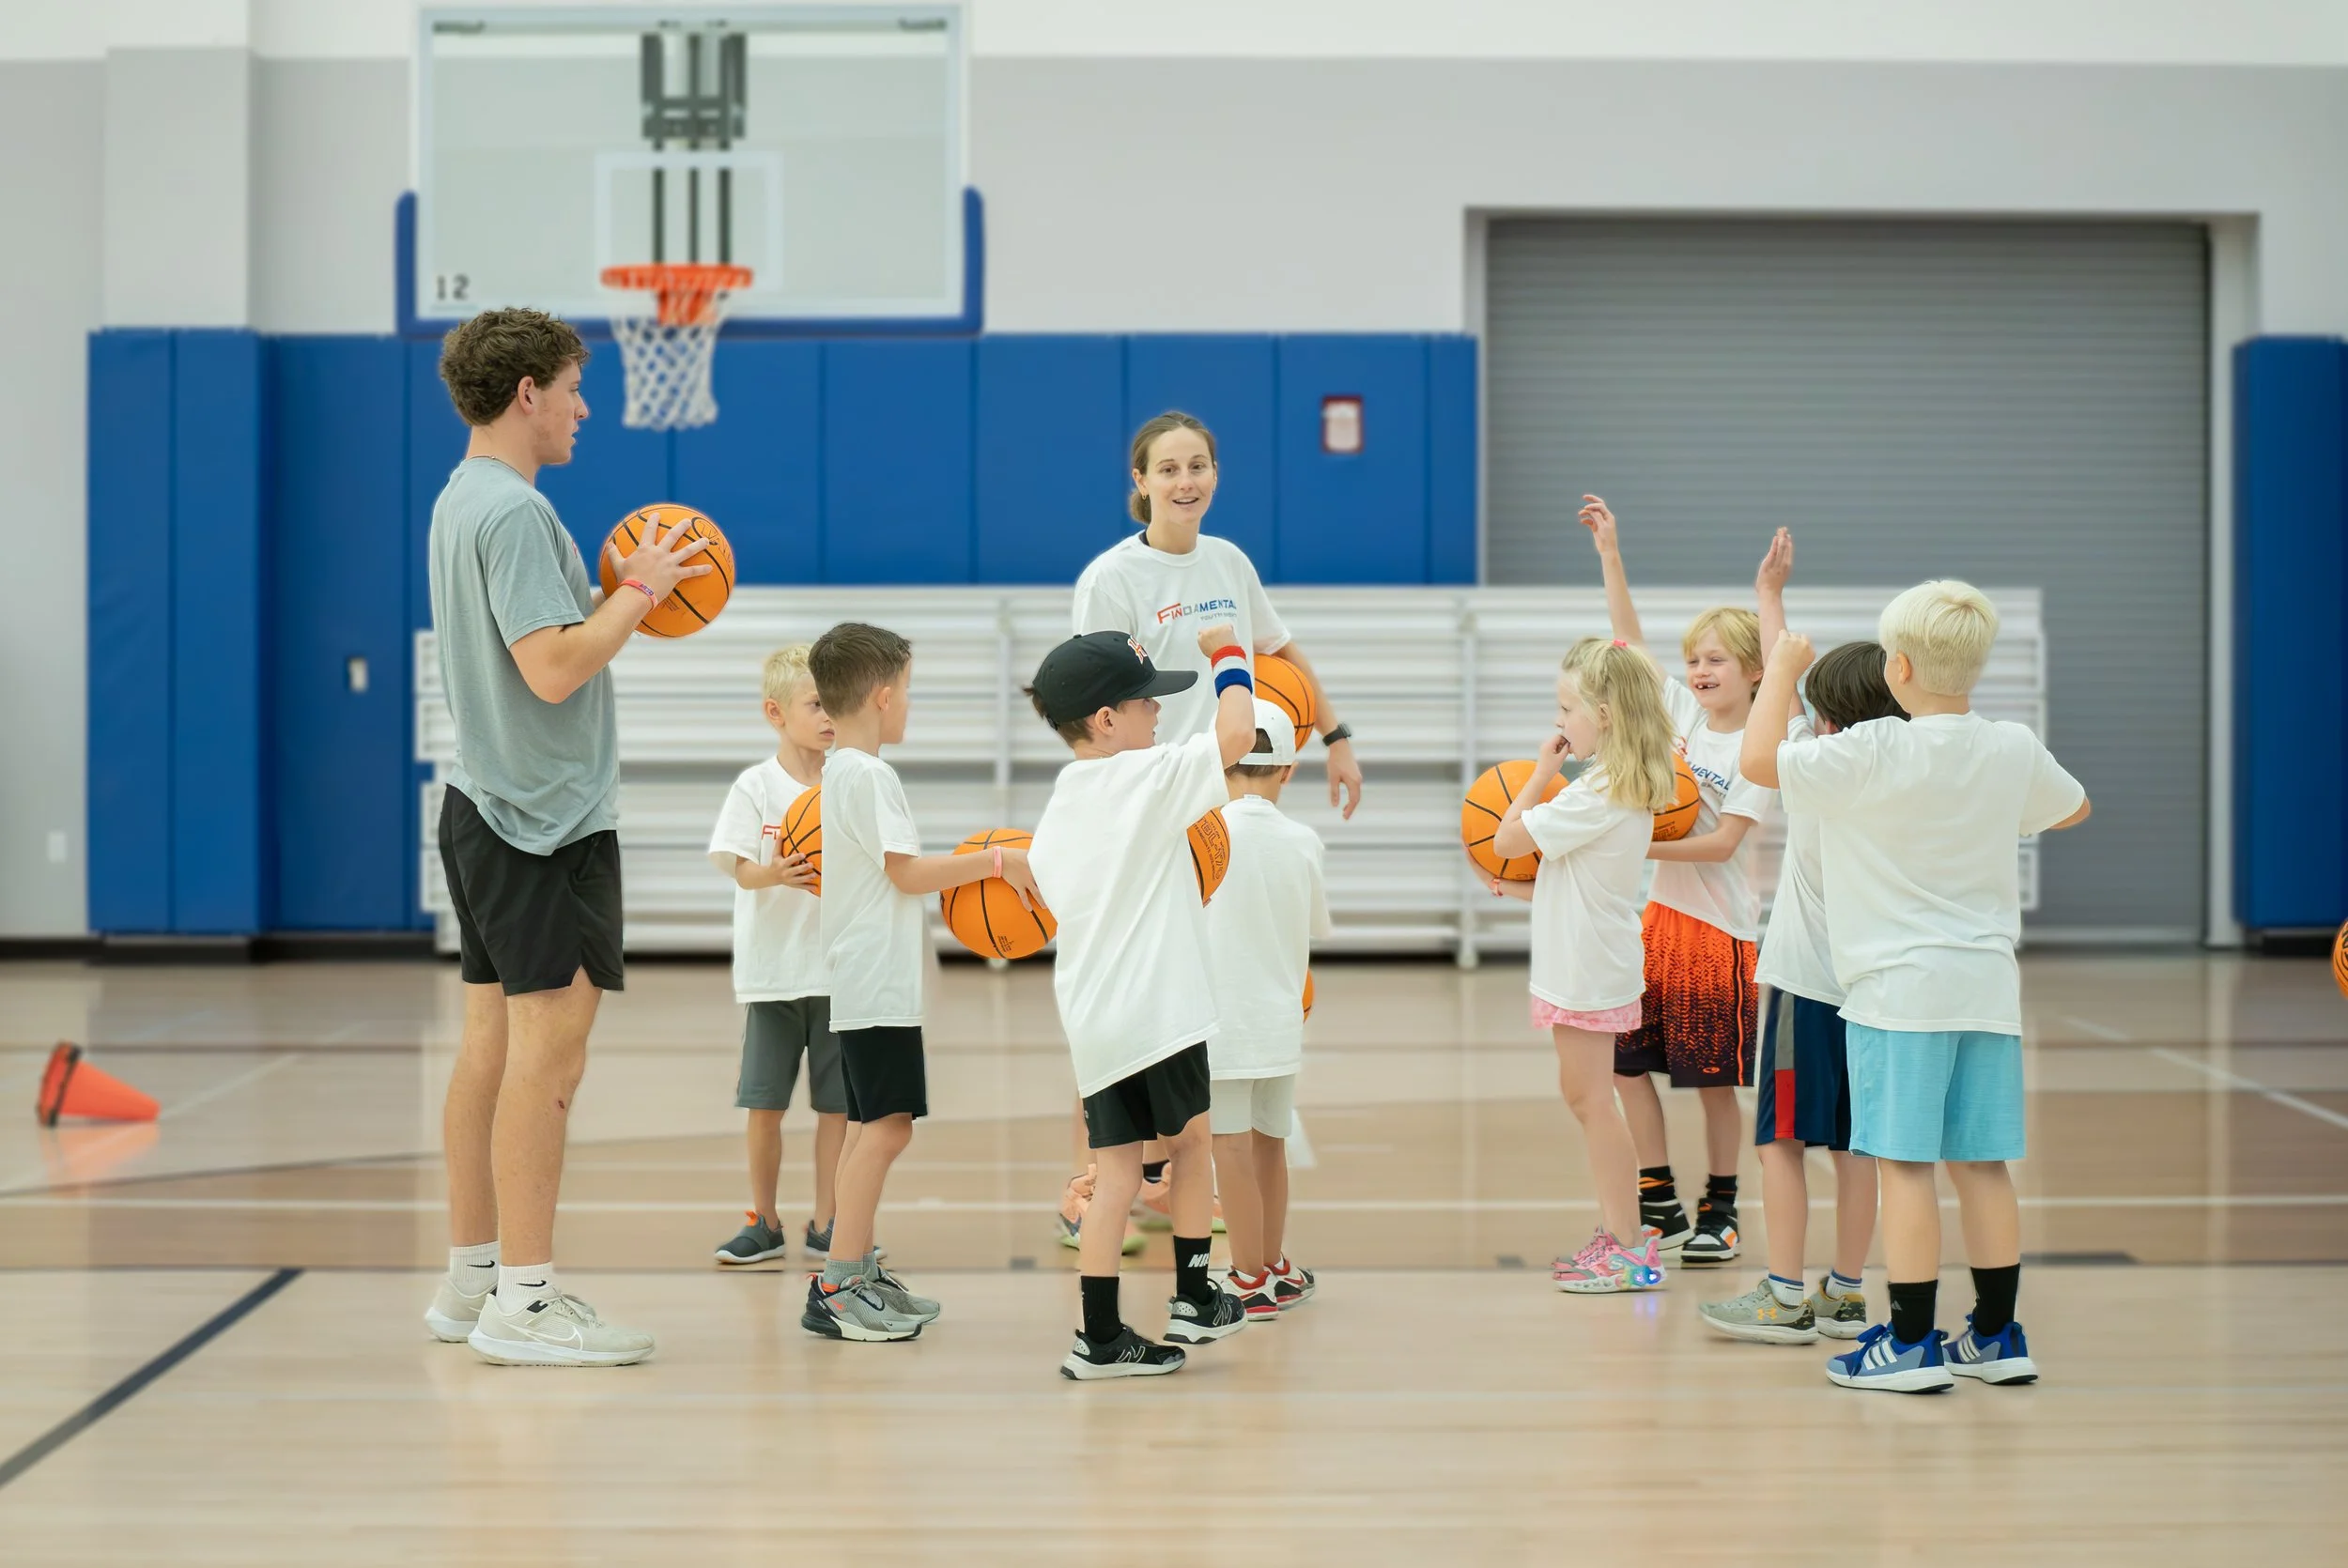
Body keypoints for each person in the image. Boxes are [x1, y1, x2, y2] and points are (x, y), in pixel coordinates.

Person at [420, 307, 710, 1367]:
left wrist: (612, 600)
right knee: (549, 1060)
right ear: (527, 392)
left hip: (486, 804)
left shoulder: (465, 498)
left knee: (489, 1052)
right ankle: (526, 1303)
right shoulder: (513, 514)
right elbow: (552, 668)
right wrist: (638, 592)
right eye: (576, 387)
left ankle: (472, 1280)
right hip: (541, 822)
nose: (588, 408)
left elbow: (536, 645)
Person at [1743, 583, 2091, 1392]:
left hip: (1899, 996)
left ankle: (1905, 1343)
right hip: (1986, 991)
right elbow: (2072, 811)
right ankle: (1996, 1336)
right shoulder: (2010, 746)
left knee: (1904, 1165)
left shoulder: (1870, 753)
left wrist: (1782, 669)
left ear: (1897, 667)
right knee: (1983, 1165)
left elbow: (1761, 761)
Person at [1055, 409, 1367, 1249]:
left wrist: (1334, 740)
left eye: (1198, 466)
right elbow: (1095, 698)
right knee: (1128, 993)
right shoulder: (1112, 577)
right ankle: (1098, 1178)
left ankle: (1166, 1175)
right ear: (1142, 483)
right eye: (1169, 469)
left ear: (1214, 475)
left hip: (1228, 799)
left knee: (1199, 994)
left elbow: (1286, 657)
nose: (1185, 481)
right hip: (1151, 802)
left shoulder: (1229, 561)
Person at [1027, 625, 1259, 1378]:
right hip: (1159, 1011)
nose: (1158, 715)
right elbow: (1237, 732)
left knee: (1118, 1176)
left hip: (1095, 1022)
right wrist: (1229, 652)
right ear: (1105, 719)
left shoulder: (1061, 802)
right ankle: (1194, 1297)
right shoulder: (1145, 778)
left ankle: (1099, 1338)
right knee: (1192, 1147)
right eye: (1146, 702)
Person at [797, 623, 1038, 1343]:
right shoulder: (870, 775)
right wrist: (996, 862)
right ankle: (839, 1286)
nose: (909, 704)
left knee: (876, 1127)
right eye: (907, 691)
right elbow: (906, 873)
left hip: (865, 976)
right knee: (886, 1129)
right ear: (881, 694)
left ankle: (855, 1271)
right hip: (873, 979)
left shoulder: (844, 770)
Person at [1582, 498, 1781, 1266]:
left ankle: (1721, 1207)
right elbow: (1627, 642)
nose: (1697, 671)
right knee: (1627, 1067)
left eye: (1715, 661)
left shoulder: (1760, 751)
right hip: (1655, 927)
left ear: (1754, 672)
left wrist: (1637, 849)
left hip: (1720, 936)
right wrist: (1610, 553)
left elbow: (1727, 843)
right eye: (1693, 659)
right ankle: (1656, 1196)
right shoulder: (1681, 721)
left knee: (1711, 1084)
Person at [1699, 633, 1898, 1345]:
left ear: (1829, 720)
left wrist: (1781, 661)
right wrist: (1775, 618)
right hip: (1875, 989)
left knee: (1781, 1140)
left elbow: (1765, 735)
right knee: (1857, 1147)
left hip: (1805, 982)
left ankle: (1784, 1295)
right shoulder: (1902, 771)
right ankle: (1846, 1294)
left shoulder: (1816, 768)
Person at [1485, 638, 1676, 1295]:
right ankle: (1621, 1233)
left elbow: (1506, 840)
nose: (1559, 722)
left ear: (1608, 713)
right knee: (1589, 1099)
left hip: (1589, 969)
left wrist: (1540, 773)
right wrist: (1521, 892)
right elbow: (1581, 881)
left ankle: (1629, 1246)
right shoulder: (1611, 788)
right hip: (1591, 958)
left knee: (1593, 1102)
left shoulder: (1596, 793)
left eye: (1567, 707)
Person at [706, 645, 854, 1268]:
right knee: (764, 1105)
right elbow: (739, 869)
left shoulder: (852, 782)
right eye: (815, 704)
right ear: (776, 712)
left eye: (834, 705)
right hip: (773, 976)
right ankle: (764, 1220)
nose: (828, 717)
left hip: (838, 975)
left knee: (837, 1109)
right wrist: (775, 875)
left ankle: (829, 1222)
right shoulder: (756, 786)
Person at [1203, 699, 1333, 1317]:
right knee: (1270, 1143)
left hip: (1220, 1025)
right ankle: (1276, 1266)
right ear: (1290, 770)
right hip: (1279, 1022)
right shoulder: (1303, 841)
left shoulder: (1203, 835)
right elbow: (1316, 927)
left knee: (1227, 1145)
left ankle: (1247, 1277)